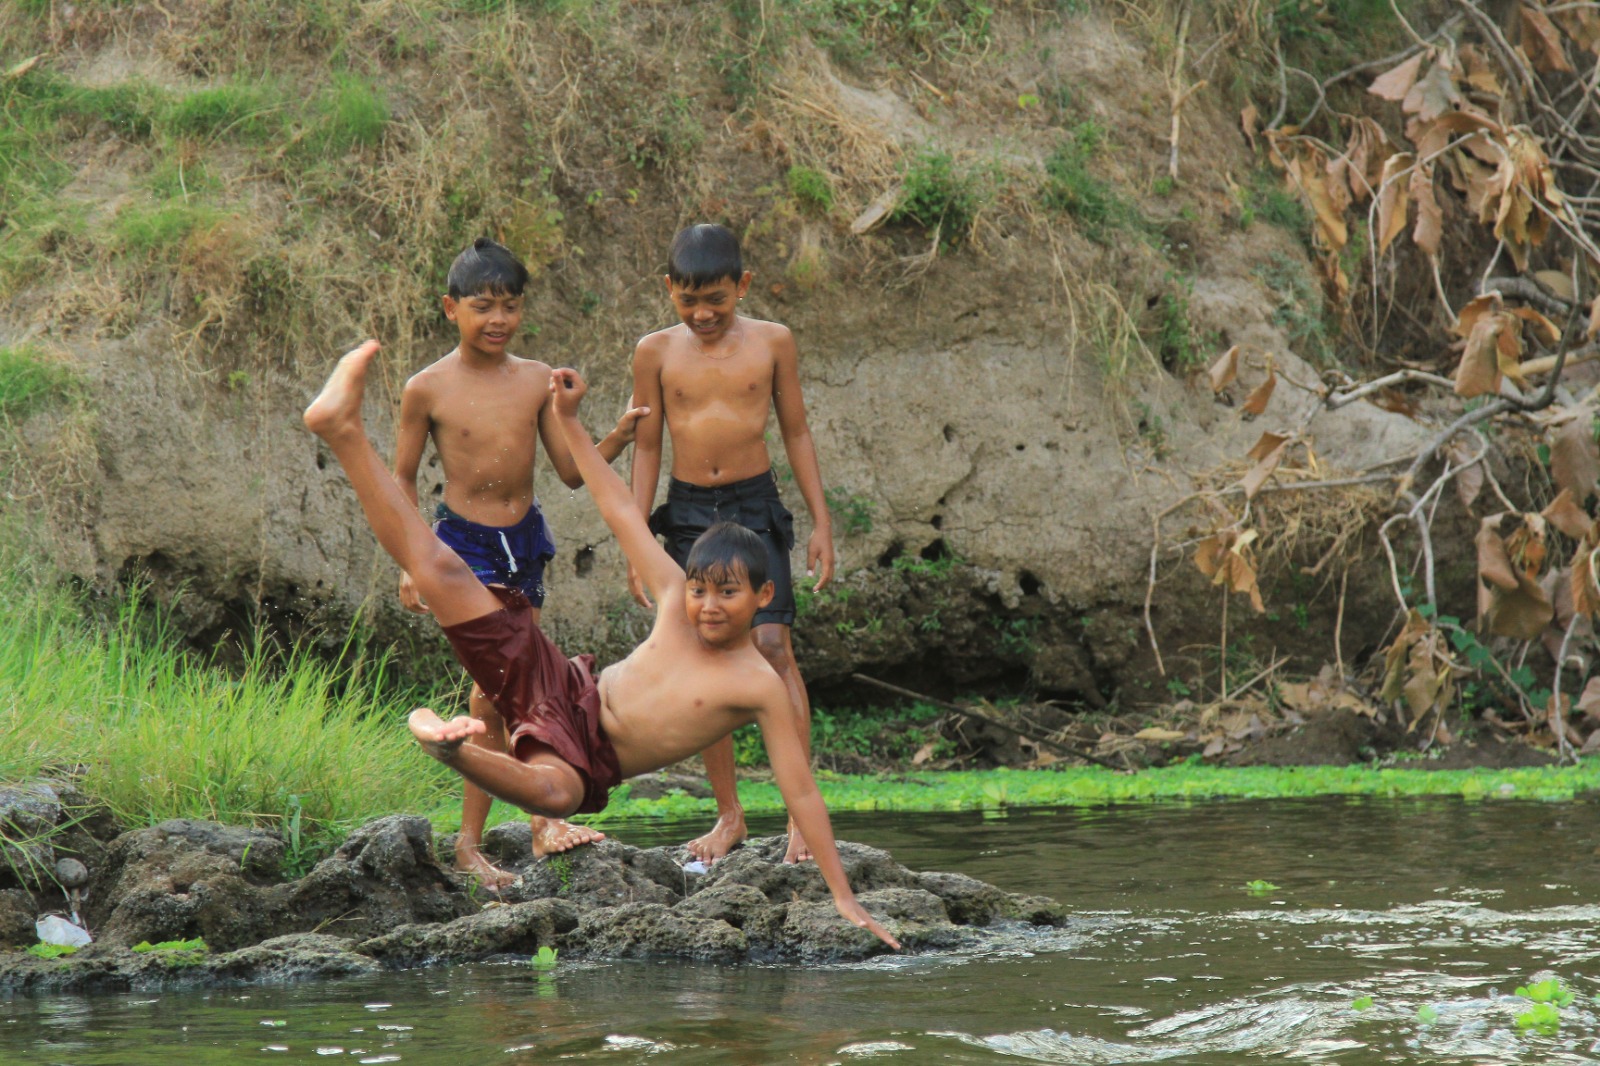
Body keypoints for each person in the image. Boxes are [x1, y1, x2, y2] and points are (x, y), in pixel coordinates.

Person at [302, 341, 899, 951]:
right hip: (560, 686)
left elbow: (799, 789)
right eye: (699, 590)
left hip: (589, 764)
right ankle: (342, 431)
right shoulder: (672, 597)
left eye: (726, 594)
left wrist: (843, 897)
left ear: (763, 594)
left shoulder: (759, 686)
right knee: (443, 569)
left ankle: (454, 750)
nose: (707, 607)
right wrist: (568, 422)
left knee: (557, 794)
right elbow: (617, 508)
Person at [392, 237, 645, 884]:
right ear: (451, 309)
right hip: (462, 548)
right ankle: (508, 831)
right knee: (496, 687)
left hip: (523, 543)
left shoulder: (536, 380)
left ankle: (498, 831)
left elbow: (567, 471)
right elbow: (399, 481)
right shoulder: (427, 389)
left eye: (510, 306)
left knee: (510, 692)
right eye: (483, 306)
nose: (497, 319)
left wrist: (606, 428)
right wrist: (408, 560)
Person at [627, 223, 832, 865]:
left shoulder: (774, 342)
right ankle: (730, 815)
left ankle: (802, 816)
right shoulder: (654, 352)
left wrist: (821, 522)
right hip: (688, 510)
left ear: (742, 285)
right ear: (669, 291)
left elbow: (796, 432)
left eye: (717, 297)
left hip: (754, 504)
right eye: (689, 301)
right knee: (707, 653)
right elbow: (649, 445)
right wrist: (638, 540)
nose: (704, 313)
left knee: (772, 645)